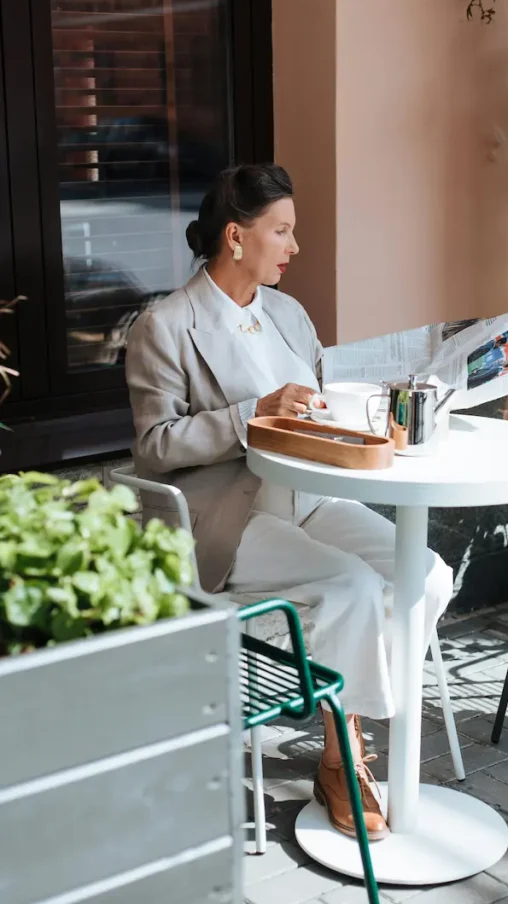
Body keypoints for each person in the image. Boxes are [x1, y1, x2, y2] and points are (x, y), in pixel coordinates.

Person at [126, 163, 453, 841]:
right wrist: (251, 413)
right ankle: (345, 760)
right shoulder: (165, 325)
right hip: (226, 513)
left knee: (423, 572)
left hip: (308, 495)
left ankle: (344, 740)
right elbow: (154, 447)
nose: (294, 247)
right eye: (282, 231)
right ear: (235, 238)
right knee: (354, 587)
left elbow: (321, 398)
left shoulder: (287, 313)